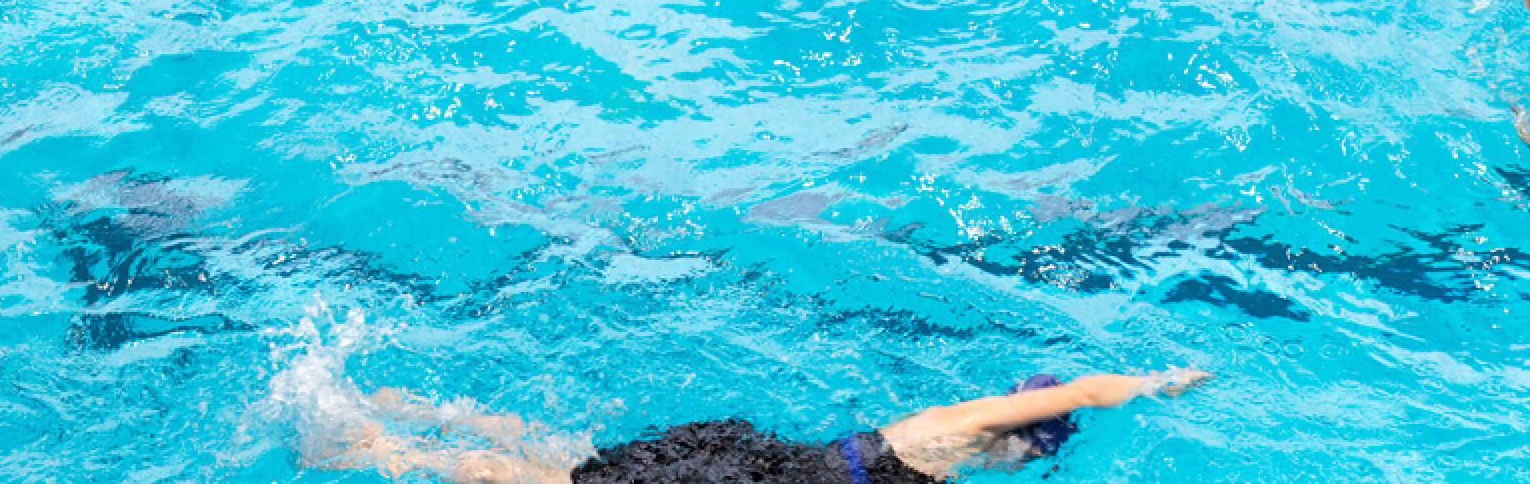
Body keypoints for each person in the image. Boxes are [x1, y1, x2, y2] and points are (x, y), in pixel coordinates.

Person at [306, 366, 1210, 483]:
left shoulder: (946, 454)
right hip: (739, 479)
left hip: (755, 462)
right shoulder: (957, 434)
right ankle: (374, 443)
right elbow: (1081, 392)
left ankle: (409, 412)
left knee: (570, 462)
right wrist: (1153, 385)